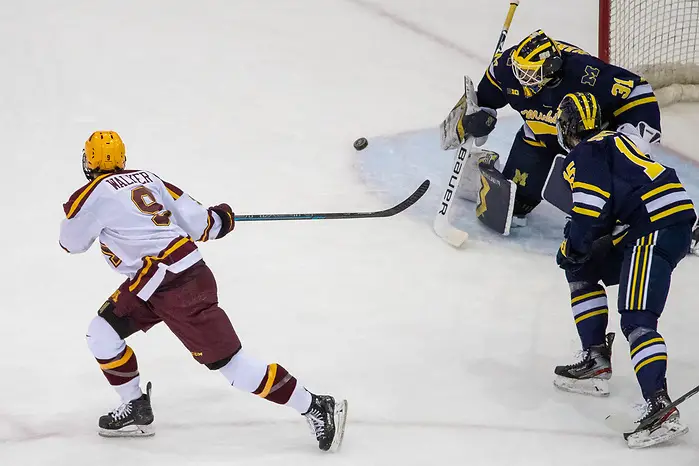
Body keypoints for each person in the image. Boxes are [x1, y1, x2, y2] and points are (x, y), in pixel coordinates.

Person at [59, 131, 347, 451]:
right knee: (102, 333)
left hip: (177, 288)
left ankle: (316, 405)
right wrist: (222, 218)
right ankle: (136, 407)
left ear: (89, 161)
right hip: (159, 282)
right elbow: (203, 225)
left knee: (234, 369)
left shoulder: (88, 197)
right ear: (123, 159)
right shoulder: (149, 179)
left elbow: (71, 244)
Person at [552, 92, 695, 448]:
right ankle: (595, 358)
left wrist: (572, 245)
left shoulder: (583, 153)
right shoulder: (618, 139)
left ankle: (660, 408)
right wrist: (579, 251)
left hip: (655, 227)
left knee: (636, 320)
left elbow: (590, 207)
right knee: (582, 267)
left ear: (567, 127)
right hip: (654, 222)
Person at [441, 29, 662, 225]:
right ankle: (483, 165)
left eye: (530, 74)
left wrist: (636, 136)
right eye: (520, 72)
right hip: (538, 137)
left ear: (551, 69)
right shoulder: (506, 68)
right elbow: (483, 101)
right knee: (514, 204)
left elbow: (638, 89)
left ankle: (640, 206)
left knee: (601, 212)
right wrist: (477, 116)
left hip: (585, 141)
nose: (522, 79)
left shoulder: (585, 73)